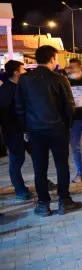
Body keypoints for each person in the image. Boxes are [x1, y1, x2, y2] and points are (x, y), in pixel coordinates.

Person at [15, 46, 82, 216]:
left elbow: (19, 107)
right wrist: (67, 125)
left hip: (35, 130)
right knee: (62, 165)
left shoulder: (24, 79)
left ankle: (43, 204)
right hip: (58, 129)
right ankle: (64, 201)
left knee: (39, 167)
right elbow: (70, 107)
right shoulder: (60, 78)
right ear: (52, 59)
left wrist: (25, 129)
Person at [0, 60, 32, 200]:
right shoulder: (6, 90)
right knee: (17, 161)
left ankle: (43, 182)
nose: (25, 72)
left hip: (27, 130)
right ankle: (20, 189)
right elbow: (4, 116)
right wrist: (17, 131)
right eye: (23, 69)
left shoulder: (21, 86)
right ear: (16, 73)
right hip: (15, 133)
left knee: (37, 156)